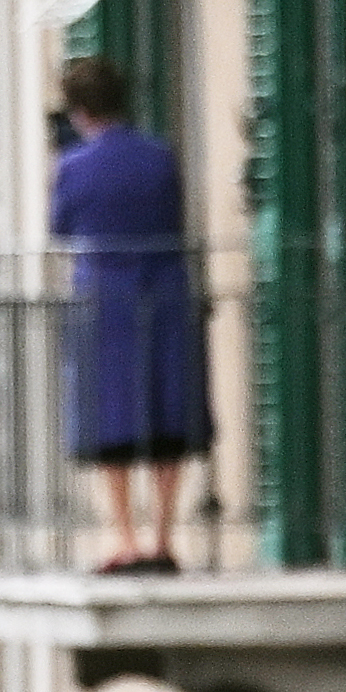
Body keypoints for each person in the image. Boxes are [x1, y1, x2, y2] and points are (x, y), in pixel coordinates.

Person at [52, 50, 212, 573]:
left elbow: (62, 228)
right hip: (165, 291)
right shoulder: (159, 156)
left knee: (110, 420)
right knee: (168, 413)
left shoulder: (74, 166)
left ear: (79, 112)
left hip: (105, 298)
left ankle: (124, 537)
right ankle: (163, 537)